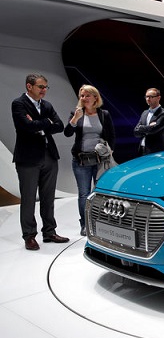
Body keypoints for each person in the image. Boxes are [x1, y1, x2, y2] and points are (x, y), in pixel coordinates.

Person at [11, 74, 68, 250]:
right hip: (28, 158)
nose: (44, 90)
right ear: (29, 86)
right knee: (28, 198)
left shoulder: (47, 105)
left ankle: (49, 232)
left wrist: (39, 124)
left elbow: (60, 126)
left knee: (48, 197)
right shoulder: (19, 104)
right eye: (41, 87)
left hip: (49, 155)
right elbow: (25, 127)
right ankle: (29, 235)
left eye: (45, 87)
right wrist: (46, 123)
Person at [64, 84, 116, 236]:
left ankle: (101, 223)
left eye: (87, 95)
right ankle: (85, 224)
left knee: (101, 193)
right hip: (81, 161)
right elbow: (67, 133)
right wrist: (75, 119)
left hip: (100, 161)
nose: (84, 98)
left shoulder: (103, 114)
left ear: (95, 97)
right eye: (82, 95)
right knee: (84, 193)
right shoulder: (76, 113)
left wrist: (110, 150)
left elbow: (111, 135)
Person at [134, 88, 164, 155]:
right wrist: (147, 127)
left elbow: (153, 130)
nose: (148, 99)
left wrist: (141, 128)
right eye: (146, 96)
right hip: (142, 148)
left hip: (155, 150)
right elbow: (136, 132)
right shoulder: (144, 113)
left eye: (151, 97)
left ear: (158, 98)